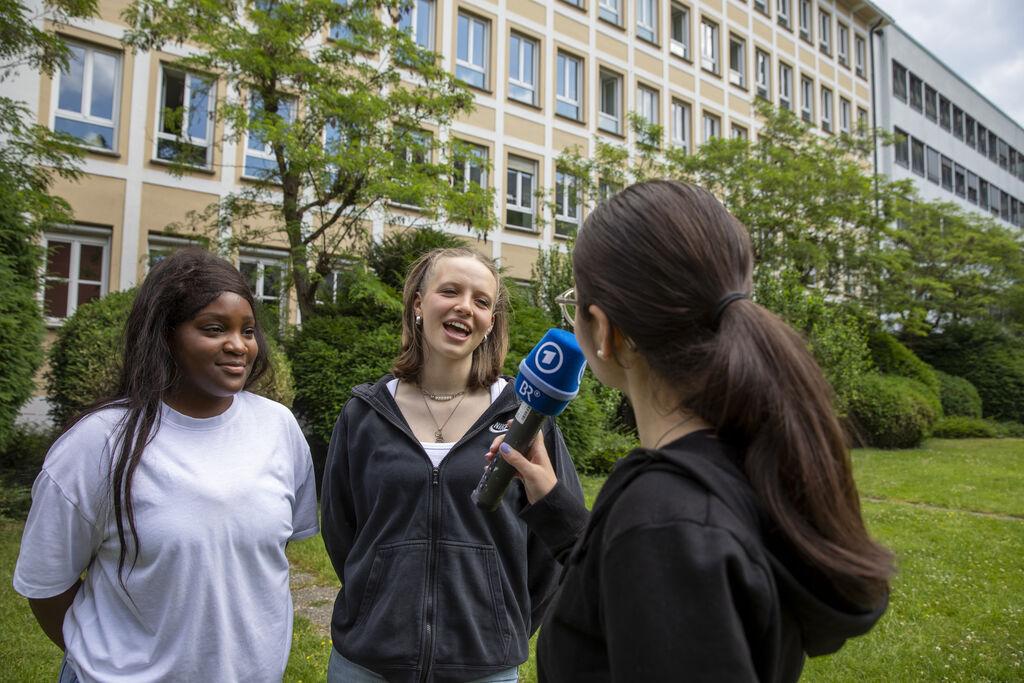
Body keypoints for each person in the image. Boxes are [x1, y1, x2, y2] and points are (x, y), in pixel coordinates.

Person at [490, 180, 894, 682]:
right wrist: (552, 502)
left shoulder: (665, 522)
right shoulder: (736, 461)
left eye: (573, 304)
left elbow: (665, 559)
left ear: (603, 328)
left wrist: (644, 528)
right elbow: (640, 594)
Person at [13, 248, 319, 682]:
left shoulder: (278, 427)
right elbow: (47, 588)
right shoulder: (99, 443)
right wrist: (115, 659)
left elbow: (259, 554)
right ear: (165, 335)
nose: (238, 345)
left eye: (247, 330)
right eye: (214, 328)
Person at [321, 247, 585, 682]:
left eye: (482, 301)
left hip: (483, 667)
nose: (466, 306)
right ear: (419, 305)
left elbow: (552, 543)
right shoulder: (364, 414)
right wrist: (376, 604)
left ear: (490, 325)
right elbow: (343, 532)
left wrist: (501, 625)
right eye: (450, 291)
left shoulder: (524, 418)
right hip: (367, 665)